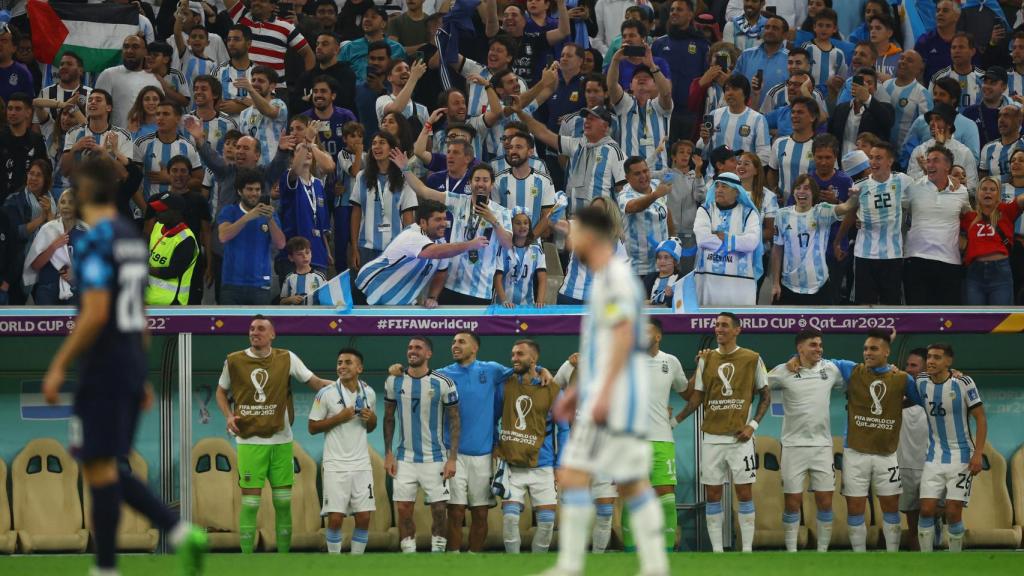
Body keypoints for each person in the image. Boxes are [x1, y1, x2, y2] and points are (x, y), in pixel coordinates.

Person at [41, 158, 207, 575]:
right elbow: (140, 311)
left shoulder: (98, 239)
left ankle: (173, 529)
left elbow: (96, 311)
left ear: (86, 192)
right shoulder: (133, 239)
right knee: (104, 464)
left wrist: (59, 365)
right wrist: (141, 369)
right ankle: (108, 565)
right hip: (129, 360)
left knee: (100, 463)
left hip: (103, 363)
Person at [543, 205, 668, 576]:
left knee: (589, 477)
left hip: (615, 401)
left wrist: (601, 395)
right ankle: (651, 565)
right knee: (612, 480)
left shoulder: (615, 277)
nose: (568, 237)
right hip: (608, 396)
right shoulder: (603, 279)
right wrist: (578, 392)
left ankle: (574, 565)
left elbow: (624, 337)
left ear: (590, 235)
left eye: (573, 231)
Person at [788, 328, 924, 552]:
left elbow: (924, 399)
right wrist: (793, 358)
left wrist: (953, 375)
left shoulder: (901, 379)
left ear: (887, 352)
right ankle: (859, 557)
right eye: (865, 348)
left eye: (873, 349)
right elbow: (815, 358)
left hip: (886, 455)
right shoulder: (851, 370)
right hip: (855, 452)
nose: (867, 353)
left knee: (890, 508)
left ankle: (893, 557)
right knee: (855, 508)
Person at [216, 315, 332, 553]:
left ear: (272, 335)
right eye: (251, 329)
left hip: (281, 440)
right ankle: (247, 559)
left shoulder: (287, 358)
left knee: (283, 503)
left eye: (260, 329)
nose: (254, 332)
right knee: (250, 504)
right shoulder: (234, 360)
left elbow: (316, 383)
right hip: (249, 441)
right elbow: (220, 392)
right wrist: (228, 415)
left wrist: (349, 386)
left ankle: (282, 559)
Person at [764, 327, 847, 552]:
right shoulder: (783, 371)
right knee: (792, 502)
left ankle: (822, 552)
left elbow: (858, 375)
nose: (818, 349)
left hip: (822, 447)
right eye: (813, 345)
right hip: (793, 447)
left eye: (820, 345)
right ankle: (792, 552)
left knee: (826, 501)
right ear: (799, 348)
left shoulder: (830, 370)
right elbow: (759, 382)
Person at [384, 337, 461, 553]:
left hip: (435, 458)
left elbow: (455, 420)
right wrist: (388, 454)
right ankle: (409, 554)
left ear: (429, 354)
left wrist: (452, 459)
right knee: (403, 508)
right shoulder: (393, 381)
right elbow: (388, 418)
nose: (412, 351)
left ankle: (438, 553)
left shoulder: (443, 383)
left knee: (439, 510)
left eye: (418, 348)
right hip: (404, 459)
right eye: (409, 347)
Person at [402, 160, 513, 305]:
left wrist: (493, 220)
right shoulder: (458, 201)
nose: (480, 184)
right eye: (477, 179)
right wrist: (405, 168)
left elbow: (508, 244)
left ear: (491, 185)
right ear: (470, 183)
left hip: (480, 288)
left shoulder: (501, 212)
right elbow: (424, 191)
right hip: (450, 283)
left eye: (485, 180)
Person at [619, 317, 687, 551]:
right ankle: (630, 552)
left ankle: (667, 552)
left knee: (666, 499)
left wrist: (675, 420)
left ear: (658, 336)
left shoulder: (671, 361)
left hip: (662, 440)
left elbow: (690, 394)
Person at [915, 344, 988, 553]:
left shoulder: (963, 382)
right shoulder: (920, 382)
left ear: (949, 362)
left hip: (961, 456)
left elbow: (981, 418)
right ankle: (925, 560)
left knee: (953, 511)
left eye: (937, 357)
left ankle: (956, 559)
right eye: (929, 357)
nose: (930, 361)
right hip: (933, 456)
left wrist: (978, 453)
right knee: (927, 509)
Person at [498, 339, 567, 554]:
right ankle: (514, 565)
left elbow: (564, 429)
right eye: (513, 354)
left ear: (533, 359)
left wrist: (560, 464)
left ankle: (537, 564)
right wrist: (494, 445)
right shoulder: (505, 383)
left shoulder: (552, 389)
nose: (514, 358)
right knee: (510, 518)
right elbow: (491, 418)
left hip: (543, 464)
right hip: (512, 465)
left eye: (520, 354)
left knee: (546, 522)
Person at [354, 199, 489, 307]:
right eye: (438, 219)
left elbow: (441, 272)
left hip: (395, 305)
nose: (444, 224)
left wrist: (432, 297)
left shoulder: (441, 242)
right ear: (423, 222)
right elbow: (434, 253)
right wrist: (470, 244)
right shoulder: (412, 236)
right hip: (364, 292)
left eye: (444, 218)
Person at [309, 347, 377, 555]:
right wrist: (340, 417)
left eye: (348, 362)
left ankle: (356, 562)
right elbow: (312, 427)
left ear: (359, 368)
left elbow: (371, 426)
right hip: (335, 464)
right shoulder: (326, 393)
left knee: (364, 517)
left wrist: (370, 417)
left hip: (361, 464)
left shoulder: (369, 392)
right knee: (336, 518)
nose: (342, 366)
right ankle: (335, 562)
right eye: (339, 363)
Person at [514, 104, 625, 216]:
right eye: (586, 118)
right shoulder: (575, 144)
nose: (586, 121)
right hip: (573, 219)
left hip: (600, 221)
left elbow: (622, 191)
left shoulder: (615, 151)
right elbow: (543, 133)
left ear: (605, 126)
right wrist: (520, 112)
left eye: (592, 119)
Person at [771, 175, 859, 305]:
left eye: (806, 188)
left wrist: (855, 197)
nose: (801, 191)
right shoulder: (782, 215)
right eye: (798, 188)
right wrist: (775, 283)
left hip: (819, 287)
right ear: (793, 192)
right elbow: (777, 249)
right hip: (788, 286)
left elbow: (846, 207)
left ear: (813, 193)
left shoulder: (821, 212)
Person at [905, 146, 971, 306]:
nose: (930, 165)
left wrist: (964, 239)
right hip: (916, 260)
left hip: (950, 262)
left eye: (935, 160)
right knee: (917, 319)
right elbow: (894, 210)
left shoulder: (961, 191)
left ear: (947, 166)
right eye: (928, 161)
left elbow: (970, 217)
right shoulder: (913, 188)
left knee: (947, 321)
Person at [851, 142, 914, 305]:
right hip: (864, 254)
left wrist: (952, 180)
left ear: (890, 161)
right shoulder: (859, 185)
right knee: (864, 305)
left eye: (879, 158)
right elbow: (849, 210)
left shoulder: (903, 180)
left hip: (892, 255)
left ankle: (892, 331)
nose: (873, 162)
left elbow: (926, 187)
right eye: (871, 158)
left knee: (891, 304)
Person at [216, 169, 286, 305]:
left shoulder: (269, 214)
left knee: (260, 325)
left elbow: (281, 244)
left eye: (257, 189)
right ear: (240, 191)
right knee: (231, 326)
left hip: (260, 284)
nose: (254, 193)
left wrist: (270, 220)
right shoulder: (229, 211)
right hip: (232, 284)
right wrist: (248, 216)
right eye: (249, 189)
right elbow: (223, 236)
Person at [693, 172, 762, 307]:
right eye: (717, 186)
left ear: (736, 192)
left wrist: (725, 238)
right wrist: (737, 242)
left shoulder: (748, 213)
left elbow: (752, 242)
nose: (718, 190)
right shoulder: (705, 210)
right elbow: (702, 239)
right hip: (707, 281)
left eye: (724, 187)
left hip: (739, 285)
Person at [960, 177, 1024, 305]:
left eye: (992, 189)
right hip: (974, 274)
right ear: (978, 194)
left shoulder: (1006, 211)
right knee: (975, 321)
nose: (988, 192)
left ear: (998, 195)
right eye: (984, 189)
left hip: (1001, 273)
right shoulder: (969, 217)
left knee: (1002, 321)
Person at [608, 50, 673, 175]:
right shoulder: (625, 104)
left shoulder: (659, 106)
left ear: (655, 85)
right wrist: (615, 60)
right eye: (637, 77)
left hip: (657, 173)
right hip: (628, 174)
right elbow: (611, 86)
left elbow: (666, 93)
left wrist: (653, 67)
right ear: (630, 85)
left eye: (647, 77)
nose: (642, 78)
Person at [2, 159, 57, 304]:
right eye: (31, 173)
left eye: (38, 175)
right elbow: (17, 234)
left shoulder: (54, 201)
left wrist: (50, 215)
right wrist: (41, 219)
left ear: (46, 180)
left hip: (44, 263)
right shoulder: (14, 201)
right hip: (16, 267)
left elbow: (57, 236)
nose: (33, 178)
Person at [224, 0, 314, 87]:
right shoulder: (242, 16)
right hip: (245, 87)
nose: (256, 3)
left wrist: (306, 83)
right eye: (254, 0)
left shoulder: (286, 26)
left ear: (273, 6)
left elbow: (308, 54)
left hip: (276, 89)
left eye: (262, 1)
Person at [22, 189, 85, 305]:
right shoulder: (48, 229)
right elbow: (35, 265)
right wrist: (53, 246)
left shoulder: (85, 232)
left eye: (71, 202)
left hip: (75, 289)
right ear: (58, 205)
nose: (66, 206)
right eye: (63, 202)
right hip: (47, 288)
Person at [277, 142, 332, 275]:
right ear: (293, 158)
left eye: (309, 150)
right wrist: (307, 141)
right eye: (301, 150)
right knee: (294, 296)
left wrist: (327, 251)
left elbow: (322, 225)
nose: (307, 152)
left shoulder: (318, 184)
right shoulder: (288, 178)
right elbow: (296, 170)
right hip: (293, 255)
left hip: (317, 254)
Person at [491, 133, 556, 239]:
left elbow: (547, 217)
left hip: (533, 243)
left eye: (519, 147)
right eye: (511, 147)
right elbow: (496, 216)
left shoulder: (544, 181)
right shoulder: (498, 180)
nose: (513, 151)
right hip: (504, 243)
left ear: (530, 151)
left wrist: (530, 239)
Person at [618, 157, 674, 278]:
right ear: (627, 178)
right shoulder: (625, 194)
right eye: (637, 173)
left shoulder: (656, 185)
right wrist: (655, 195)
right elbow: (634, 207)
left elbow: (666, 213)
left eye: (645, 171)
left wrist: (674, 242)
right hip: (638, 270)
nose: (643, 176)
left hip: (663, 265)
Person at [699, 74, 771, 167]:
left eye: (735, 89)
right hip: (714, 177)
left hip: (743, 178)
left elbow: (764, 155)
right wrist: (705, 141)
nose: (730, 93)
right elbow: (703, 153)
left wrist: (743, 170)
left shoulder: (758, 119)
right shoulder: (714, 115)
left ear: (745, 93)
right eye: (727, 89)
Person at [94, 35, 163, 129]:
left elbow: (161, 112)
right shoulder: (108, 75)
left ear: (145, 52)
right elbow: (97, 110)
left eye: (135, 47)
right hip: (116, 139)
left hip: (148, 140)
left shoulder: (154, 79)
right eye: (126, 47)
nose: (129, 51)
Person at [144, 191, 198, 305]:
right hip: (148, 299)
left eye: (162, 210)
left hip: (171, 303)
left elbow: (172, 272)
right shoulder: (158, 226)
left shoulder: (186, 240)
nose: (157, 213)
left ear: (176, 213)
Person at [900, 349, 930, 551]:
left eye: (914, 365)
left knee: (933, 512)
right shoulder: (896, 390)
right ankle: (919, 564)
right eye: (907, 365)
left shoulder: (941, 391)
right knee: (913, 525)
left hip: (932, 465)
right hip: (905, 465)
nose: (908, 369)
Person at [827, 68, 894, 159]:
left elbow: (887, 121)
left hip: (869, 165)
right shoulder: (840, 108)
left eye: (869, 83)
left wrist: (867, 98)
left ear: (875, 88)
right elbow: (831, 136)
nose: (864, 86)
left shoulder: (885, 108)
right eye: (861, 82)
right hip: (841, 163)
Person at [292, 32, 357, 120]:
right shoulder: (306, 76)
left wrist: (309, 98)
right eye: (317, 44)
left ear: (336, 50)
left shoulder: (346, 74)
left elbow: (343, 101)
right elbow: (295, 104)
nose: (319, 47)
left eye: (324, 44)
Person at [874, 50, 932, 150]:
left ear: (919, 69)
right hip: (881, 150)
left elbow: (927, 129)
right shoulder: (886, 85)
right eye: (901, 58)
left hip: (905, 154)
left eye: (909, 60)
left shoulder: (922, 94)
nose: (903, 62)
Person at [33, 52, 91, 149]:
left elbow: (91, 127)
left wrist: (73, 109)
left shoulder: (91, 94)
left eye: (69, 64)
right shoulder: (46, 92)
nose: (64, 67)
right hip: (52, 149)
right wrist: (63, 105)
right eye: (61, 64)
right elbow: (36, 125)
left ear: (80, 71)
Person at [664, 141, 705, 274]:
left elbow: (700, 197)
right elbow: (646, 172)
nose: (685, 155)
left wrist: (698, 173)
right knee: (669, 273)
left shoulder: (695, 175)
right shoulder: (666, 174)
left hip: (689, 234)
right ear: (673, 157)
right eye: (681, 151)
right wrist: (657, 152)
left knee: (687, 274)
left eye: (688, 153)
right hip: (669, 233)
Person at [0, 93, 48, 205]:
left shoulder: (36, 141)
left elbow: (44, 171)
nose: (12, 113)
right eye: (10, 108)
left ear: (28, 112)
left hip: (27, 203)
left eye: (18, 109)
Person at [339, 5, 407, 83]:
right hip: (355, 92)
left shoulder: (397, 49)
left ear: (383, 24)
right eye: (365, 16)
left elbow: (403, 77)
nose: (367, 19)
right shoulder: (349, 48)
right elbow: (339, 74)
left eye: (373, 17)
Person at [236, 66, 287, 167]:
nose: (255, 83)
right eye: (253, 80)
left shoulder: (279, 104)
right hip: (249, 170)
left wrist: (251, 90)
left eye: (261, 81)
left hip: (273, 169)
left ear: (272, 86)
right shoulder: (244, 113)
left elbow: (268, 111)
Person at [767, 97, 817, 201]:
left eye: (800, 112)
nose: (794, 116)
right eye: (793, 112)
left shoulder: (820, 145)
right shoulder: (779, 143)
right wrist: (773, 190)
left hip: (810, 208)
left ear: (812, 117)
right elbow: (772, 172)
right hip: (783, 209)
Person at [735, 14, 789, 107]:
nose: (769, 31)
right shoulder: (747, 55)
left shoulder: (791, 59)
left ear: (784, 35)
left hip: (777, 117)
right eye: (767, 27)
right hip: (747, 115)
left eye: (775, 28)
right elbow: (734, 84)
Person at [929, 32, 984, 111]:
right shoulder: (938, 77)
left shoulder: (983, 79)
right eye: (953, 47)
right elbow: (930, 106)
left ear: (972, 52)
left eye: (961, 47)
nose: (956, 51)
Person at [214, 25, 256, 124]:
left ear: (248, 44)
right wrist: (248, 104)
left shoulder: (260, 72)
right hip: (225, 131)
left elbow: (269, 104)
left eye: (237, 39)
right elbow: (212, 103)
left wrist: (239, 108)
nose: (231, 43)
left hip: (253, 129)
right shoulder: (218, 71)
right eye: (229, 40)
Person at [802, 8, 847, 92]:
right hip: (809, 94)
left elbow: (842, 77)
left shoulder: (839, 54)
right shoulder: (807, 47)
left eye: (828, 26)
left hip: (829, 98)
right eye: (820, 25)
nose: (824, 29)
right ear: (814, 27)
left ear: (834, 29)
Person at [979, 105, 1023, 182]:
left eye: (1007, 116)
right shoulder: (988, 148)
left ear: (1019, 121)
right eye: (999, 116)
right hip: (995, 193)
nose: (1001, 120)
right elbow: (983, 180)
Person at [278, 236, 327, 305]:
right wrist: (290, 299)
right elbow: (282, 302)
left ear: (311, 254)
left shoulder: (320, 276)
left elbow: (327, 298)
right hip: (295, 315)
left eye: (307, 252)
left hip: (315, 315)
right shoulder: (289, 278)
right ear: (291, 258)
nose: (305, 256)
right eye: (299, 254)